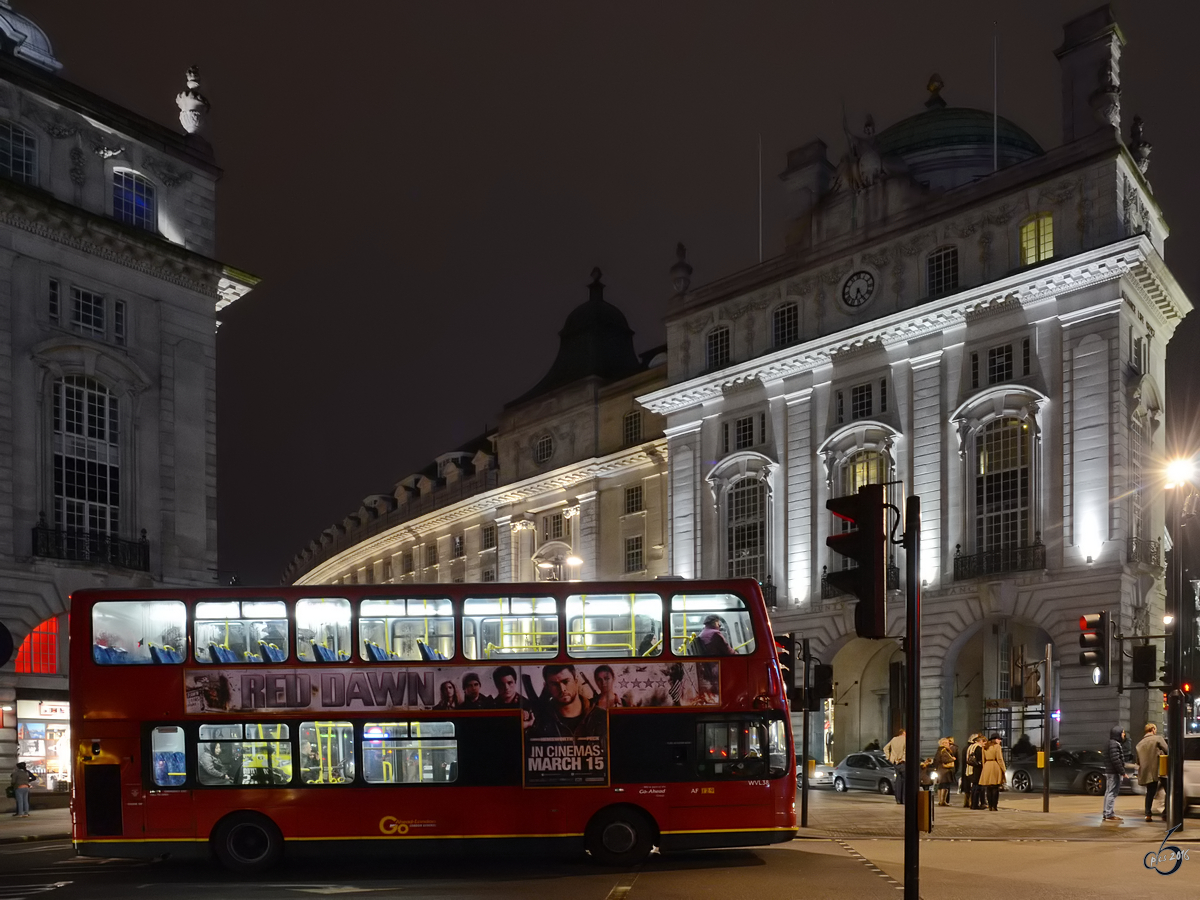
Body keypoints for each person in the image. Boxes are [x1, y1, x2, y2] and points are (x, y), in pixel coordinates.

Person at [530, 664, 608, 742]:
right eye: (555, 684)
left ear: (576, 681)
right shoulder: (539, 721)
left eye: (566, 681)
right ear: (547, 687)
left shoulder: (602, 717)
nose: (562, 689)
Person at [1135, 723, 1168, 822]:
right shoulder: (1158, 739)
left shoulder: (1139, 744)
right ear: (1153, 729)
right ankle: (1166, 813)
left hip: (1148, 772)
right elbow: (1167, 750)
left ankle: (1148, 814)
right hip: (1160, 769)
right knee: (1168, 791)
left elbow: (1138, 761)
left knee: (1150, 793)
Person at [1102, 725, 1126, 823]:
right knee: (1112, 792)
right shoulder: (1114, 744)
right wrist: (1122, 772)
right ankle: (1109, 814)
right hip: (1113, 772)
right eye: (1123, 732)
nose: (1124, 734)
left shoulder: (1111, 743)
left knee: (1109, 792)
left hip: (1110, 771)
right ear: (1118, 733)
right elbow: (1115, 759)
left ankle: (1107, 812)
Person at [978, 733, 1006, 811]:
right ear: (995, 739)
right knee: (995, 787)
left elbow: (983, 759)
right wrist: (1003, 769)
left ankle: (990, 805)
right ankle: (994, 806)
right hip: (995, 765)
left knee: (988, 788)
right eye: (999, 739)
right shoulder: (997, 747)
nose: (1000, 741)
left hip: (987, 765)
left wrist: (984, 768)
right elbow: (999, 759)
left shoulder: (985, 747)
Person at [883, 727, 906, 805]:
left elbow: (885, 748)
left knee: (898, 780)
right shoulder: (905, 739)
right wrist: (903, 758)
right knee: (905, 780)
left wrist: (889, 757)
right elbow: (906, 751)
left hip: (895, 762)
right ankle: (904, 798)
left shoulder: (893, 739)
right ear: (903, 733)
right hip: (902, 762)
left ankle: (898, 799)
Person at [962, 734, 984, 809]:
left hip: (970, 769)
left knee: (974, 786)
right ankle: (975, 804)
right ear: (980, 741)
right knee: (977, 786)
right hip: (977, 769)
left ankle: (973, 804)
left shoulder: (970, 747)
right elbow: (980, 758)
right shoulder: (978, 747)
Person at [935, 737, 956, 806]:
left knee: (941, 786)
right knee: (944, 785)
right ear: (943, 743)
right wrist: (952, 759)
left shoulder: (939, 750)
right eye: (947, 743)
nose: (948, 744)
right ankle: (943, 801)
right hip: (944, 770)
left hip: (940, 770)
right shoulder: (943, 750)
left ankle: (941, 800)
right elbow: (944, 760)